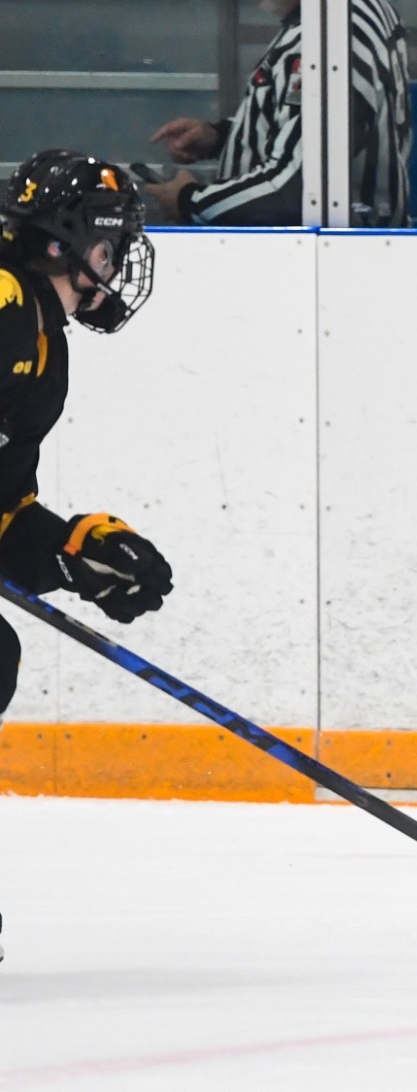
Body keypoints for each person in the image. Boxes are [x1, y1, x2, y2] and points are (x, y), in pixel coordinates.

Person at [0, 150, 179, 962]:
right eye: (111, 248)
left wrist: (71, 551)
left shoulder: (36, 328)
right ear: (64, 241)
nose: (115, 268)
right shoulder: (4, 303)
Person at [142, 0, 410, 226]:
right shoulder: (350, 5)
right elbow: (304, 128)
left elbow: (292, 191)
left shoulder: (333, 40)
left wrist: (189, 200)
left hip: (333, 260)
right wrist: (221, 137)